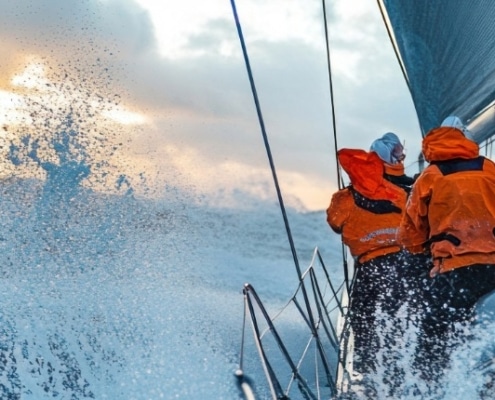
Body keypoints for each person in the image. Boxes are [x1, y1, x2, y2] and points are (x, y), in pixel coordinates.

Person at [398, 115, 495, 386]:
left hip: (454, 271)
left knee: (434, 335)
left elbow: (410, 234)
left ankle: (431, 385)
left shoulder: (430, 176)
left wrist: (419, 251)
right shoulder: (490, 169)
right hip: (494, 269)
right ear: (466, 138)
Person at [327, 147, 408, 389]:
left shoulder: (344, 197)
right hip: (401, 263)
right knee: (399, 314)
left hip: (369, 265)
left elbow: (335, 223)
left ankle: (366, 373)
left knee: (363, 317)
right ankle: (399, 365)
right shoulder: (396, 192)